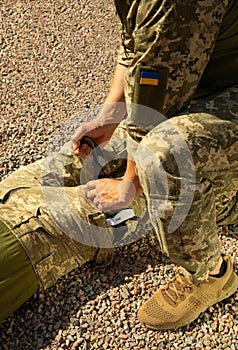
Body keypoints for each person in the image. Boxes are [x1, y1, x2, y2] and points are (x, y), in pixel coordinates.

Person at [0, 0, 238, 330]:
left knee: (162, 156)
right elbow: (135, 48)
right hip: (203, 91)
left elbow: (155, 106)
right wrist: (110, 115)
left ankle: (210, 274)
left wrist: (128, 185)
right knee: (77, 163)